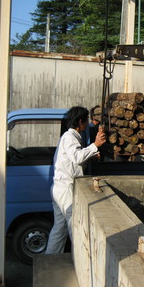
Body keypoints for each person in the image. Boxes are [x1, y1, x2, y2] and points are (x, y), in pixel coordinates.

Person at [45, 106, 106, 254]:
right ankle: (81, 265)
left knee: (60, 229)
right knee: (75, 227)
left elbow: (74, 161)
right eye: (87, 121)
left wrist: (91, 155)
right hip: (65, 190)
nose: (88, 124)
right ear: (81, 121)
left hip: (60, 188)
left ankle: (51, 259)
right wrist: (95, 145)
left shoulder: (71, 137)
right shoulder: (69, 137)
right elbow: (77, 157)